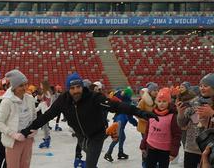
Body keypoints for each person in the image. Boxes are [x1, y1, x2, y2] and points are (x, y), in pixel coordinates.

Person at [20, 72, 158, 168]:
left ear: (82, 86)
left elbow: (116, 105)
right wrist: (27, 130)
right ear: (68, 89)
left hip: (96, 135)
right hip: (81, 136)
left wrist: (140, 112)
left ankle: (107, 134)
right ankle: (109, 133)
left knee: (90, 163)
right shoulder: (63, 100)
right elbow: (46, 116)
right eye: (72, 88)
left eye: (78, 87)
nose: (76, 91)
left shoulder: (94, 97)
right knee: (86, 151)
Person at [0, 70, 37, 168]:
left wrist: (35, 128)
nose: (25, 88)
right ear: (14, 87)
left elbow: (34, 116)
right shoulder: (7, 102)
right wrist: (13, 134)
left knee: (25, 165)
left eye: (26, 84)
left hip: (28, 139)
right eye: (21, 86)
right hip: (13, 141)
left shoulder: (30, 99)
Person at [177, 73, 214, 168]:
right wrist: (180, 113)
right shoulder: (194, 102)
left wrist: (212, 114)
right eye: (200, 86)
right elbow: (182, 124)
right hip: (192, 148)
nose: (202, 88)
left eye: (206, 86)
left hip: (210, 148)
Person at [140, 88, 182, 168]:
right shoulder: (152, 114)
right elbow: (147, 131)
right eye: (159, 101)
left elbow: (177, 135)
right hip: (151, 147)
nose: (161, 104)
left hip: (165, 150)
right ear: (156, 102)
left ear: (168, 102)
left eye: (164, 101)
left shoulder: (173, 116)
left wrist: (173, 152)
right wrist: (143, 145)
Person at [104, 87, 138, 162]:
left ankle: (120, 153)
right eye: (131, 94)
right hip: (119, 124)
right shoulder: (127, 104)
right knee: (117, 139)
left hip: (118, 122)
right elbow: (129, 118)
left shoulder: (122, 102)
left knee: (122, 138)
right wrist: (136, 124)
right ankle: (108, 154)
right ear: (129, 95)